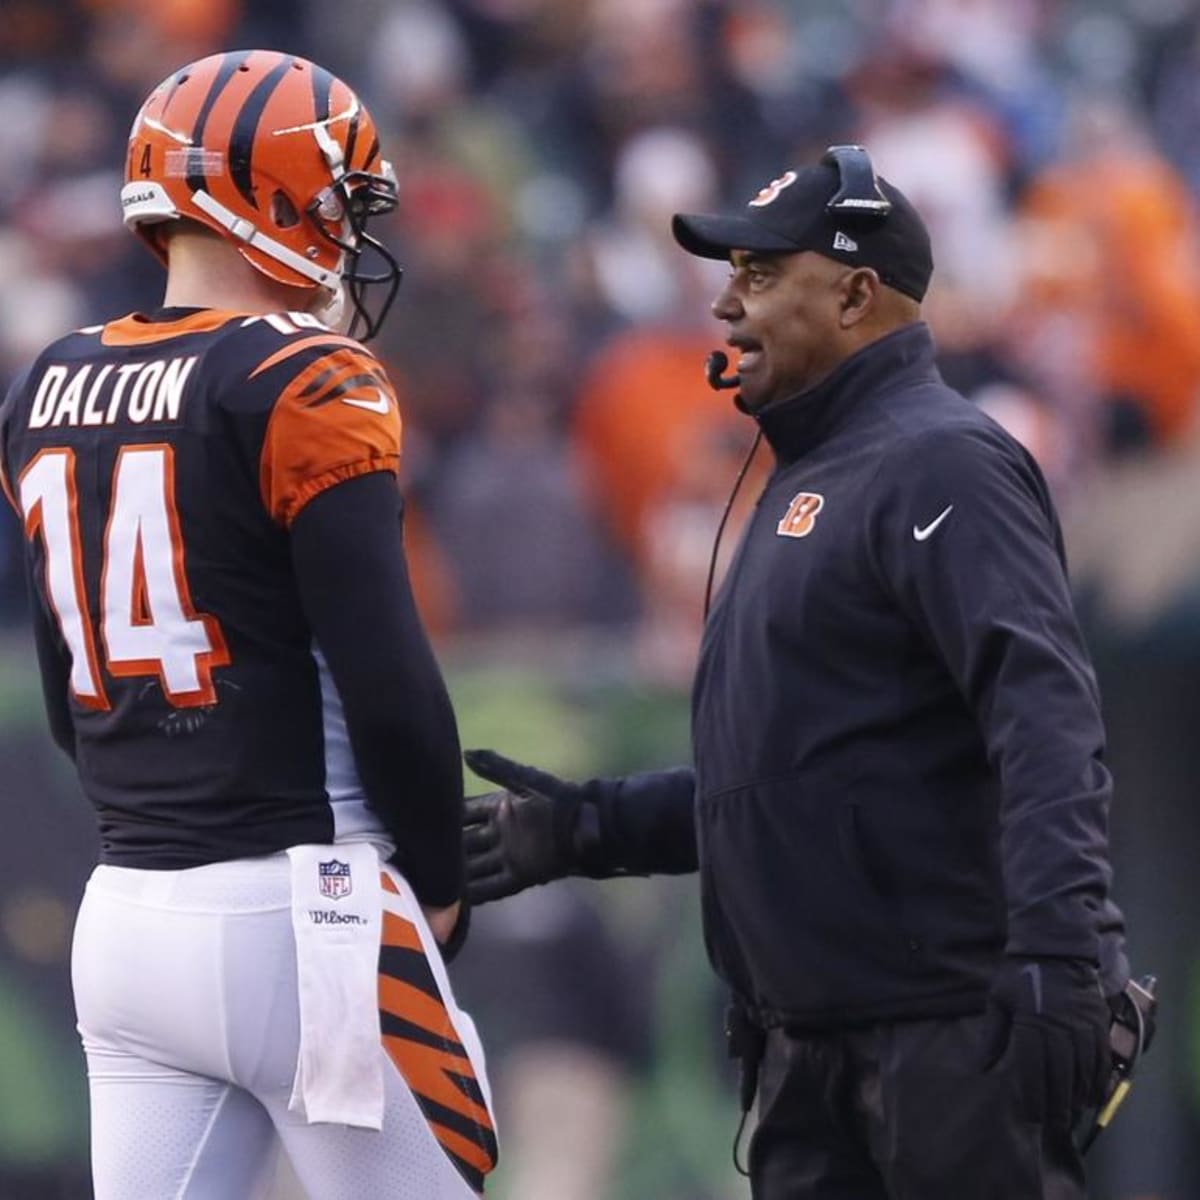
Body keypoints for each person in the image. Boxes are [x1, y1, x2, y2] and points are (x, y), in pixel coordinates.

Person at [463, 146, 1132, 1199]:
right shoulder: (800, 481)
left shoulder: (942, 458)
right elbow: (795, 785)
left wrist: (1056, 950)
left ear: (857, 292)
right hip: (815, 1051)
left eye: (762, 274)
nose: (727, 304)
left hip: (943, 1039)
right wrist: (583, 828)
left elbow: (1045, 719)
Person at [0, 50, 496, 1200]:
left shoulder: (47, 384)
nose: (345, 230)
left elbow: (70, 691)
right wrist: (436, 872)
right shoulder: (307, 377)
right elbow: (389, 681)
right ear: (257, 191)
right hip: (308, 909)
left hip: (125, 914)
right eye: (333, 197)